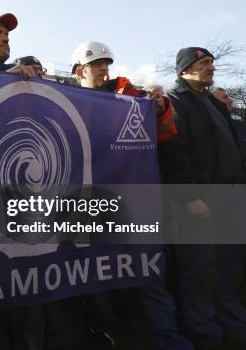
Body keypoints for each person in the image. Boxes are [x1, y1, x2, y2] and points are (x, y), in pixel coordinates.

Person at [71, 41, 190, 350]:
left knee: (150, 276)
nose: (104, 69)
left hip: (138, 207)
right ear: (78, 72)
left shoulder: (133, 98)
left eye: (106, 63)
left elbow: (165, 135)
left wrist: (161, 107)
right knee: (97, 280)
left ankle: (169, 340)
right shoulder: (67, 103)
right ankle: (109, 336)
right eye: (96, 64)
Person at [159, 47, 246, 349]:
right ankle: (206, 337)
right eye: (203, 63)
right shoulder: (174, 103)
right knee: (200, 272)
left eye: (211, 62)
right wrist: (189, 197)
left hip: (228, 200)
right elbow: (173, 154)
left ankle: (233, 332)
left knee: (228, 270)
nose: (211, 67)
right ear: (184, 70)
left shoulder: (215, 105)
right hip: (197, 203)